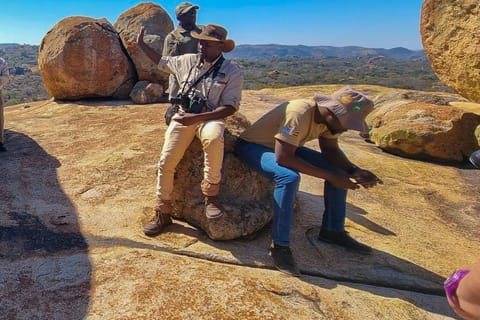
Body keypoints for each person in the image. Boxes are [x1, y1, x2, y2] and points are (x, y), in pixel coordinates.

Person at [236, 86, 381, 276]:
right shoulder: (299, 112)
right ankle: (279, 246)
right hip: (253, 146)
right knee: (289, 178)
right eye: (346, 123)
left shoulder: (330, 121)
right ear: (332, 112)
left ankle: (333, 231)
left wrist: (353, 170)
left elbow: (330, 150)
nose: (346, 128)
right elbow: (284, 158)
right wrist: (332, 177)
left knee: (338, 170)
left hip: (286, 147)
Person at [135, 24, 244, 236]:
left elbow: (230, 107)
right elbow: (161, 61)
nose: (201, 46)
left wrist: (198, 118)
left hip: (210, 117)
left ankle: (211, 196)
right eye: (200, 42)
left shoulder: (232, 71)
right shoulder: (187, 61)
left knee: (214, 138)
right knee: (166, 160)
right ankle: (163, 211)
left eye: (207, 44)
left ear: (220, 47)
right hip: (184, 116)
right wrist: (141, 44)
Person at [162, 2, 202, 99]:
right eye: (189, 13)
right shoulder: (173, 37)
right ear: (180, 17)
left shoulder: (202, 31)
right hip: (180, 81)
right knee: (178, 106)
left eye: (194, 12)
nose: (193, 15)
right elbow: (169, 63)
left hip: (202, 77)